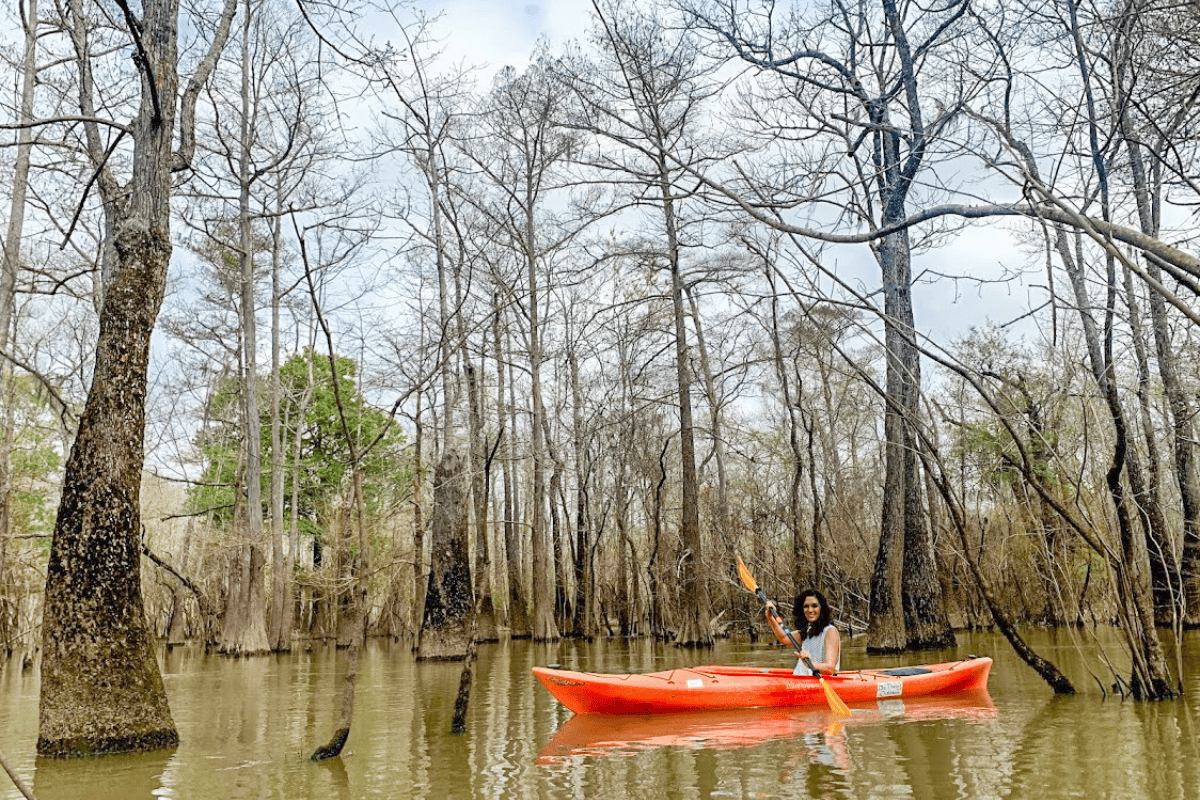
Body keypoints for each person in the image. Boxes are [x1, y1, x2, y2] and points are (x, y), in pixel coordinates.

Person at [766, 589, 841, 677]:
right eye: (806, 606)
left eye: (814, 606)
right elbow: (784, 638)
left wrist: (810, 663)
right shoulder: (807, 631)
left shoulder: (830, 631)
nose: (810, 610)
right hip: (802, 679)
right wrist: (770, 617)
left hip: (819, 682)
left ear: (822, 609)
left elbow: (830, 668)